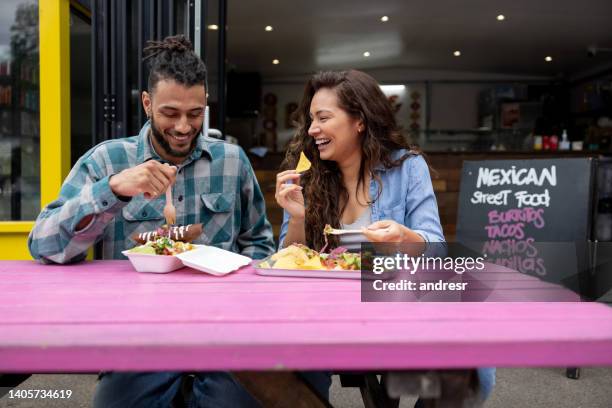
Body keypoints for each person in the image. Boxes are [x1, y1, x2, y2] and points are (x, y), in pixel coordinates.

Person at [27, 35, 316, 407]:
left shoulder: (232, 162)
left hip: (222, 333)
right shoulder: (107, 162)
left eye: (195, 114)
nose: (183, 127)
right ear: (147, 103)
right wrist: (113, 189)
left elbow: (257, 246)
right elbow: (44, 245)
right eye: (170, 113)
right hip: (136, 335)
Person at [275, 70, 495, 402]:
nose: (312, 130)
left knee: (473, 361)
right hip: (325, 311)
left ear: (359, 121)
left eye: (323, 118)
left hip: (395, 305)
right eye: (310, 120)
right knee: (280, 358)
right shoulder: (307, 175)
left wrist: (403, 237)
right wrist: (297, 219)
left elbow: (434, 246)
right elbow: (285, 262)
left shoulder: (407, 168)